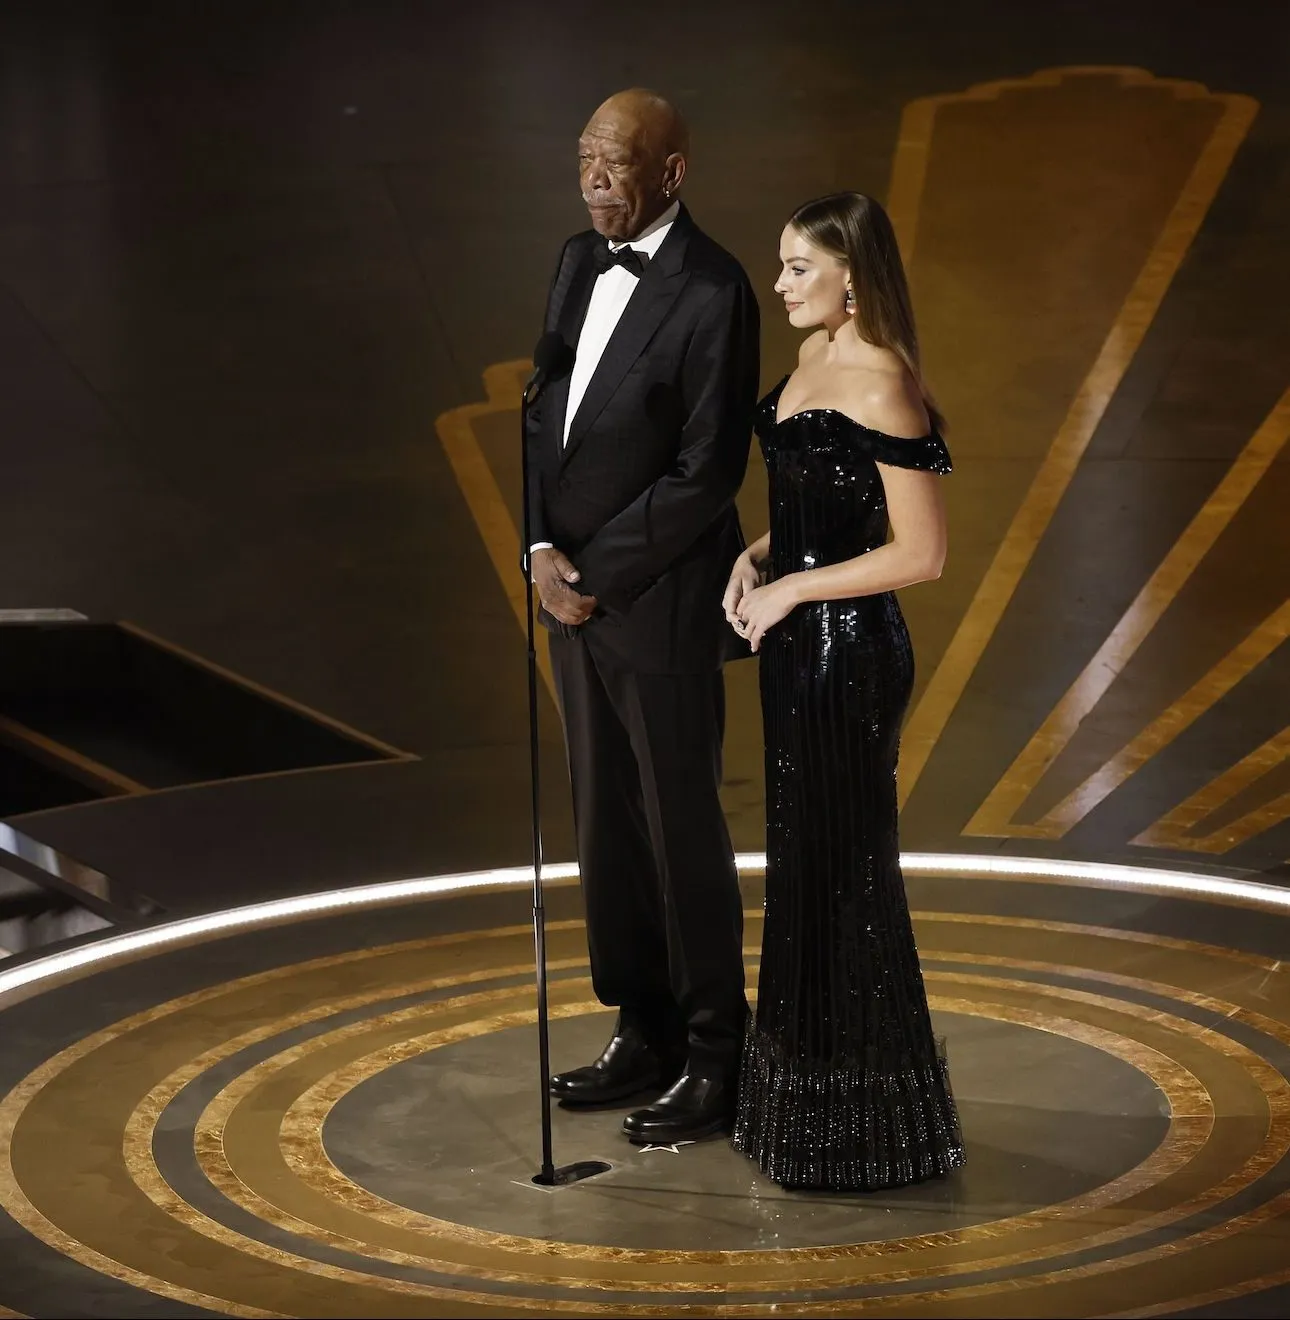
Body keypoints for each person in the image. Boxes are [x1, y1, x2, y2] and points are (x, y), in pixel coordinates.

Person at [527, 89, 760, 1145]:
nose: (593, 179)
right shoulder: (577, 260)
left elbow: (708, 470)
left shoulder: (715, 290)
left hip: (657, 601)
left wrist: (596, 571)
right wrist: (539, 550)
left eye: (615, 162)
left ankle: (717, 1052)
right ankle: (643, 1026)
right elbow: (543, 414)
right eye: (584, 156)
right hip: (568, 597)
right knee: (605, 827)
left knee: (679, 829)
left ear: (671, 171)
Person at [723, 192, 965, 1190]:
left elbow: (921, 552)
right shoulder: (813, 357)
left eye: (797, 267)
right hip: (796, 648)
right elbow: (827, 502)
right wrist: (760, 554)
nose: (780, 284)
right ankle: (808, 1114)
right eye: (782, 265)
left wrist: (794, 589)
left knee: (844, 877)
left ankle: (866, 1130)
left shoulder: (883, 381)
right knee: (803, 870)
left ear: (851, 276)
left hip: (849, 656)